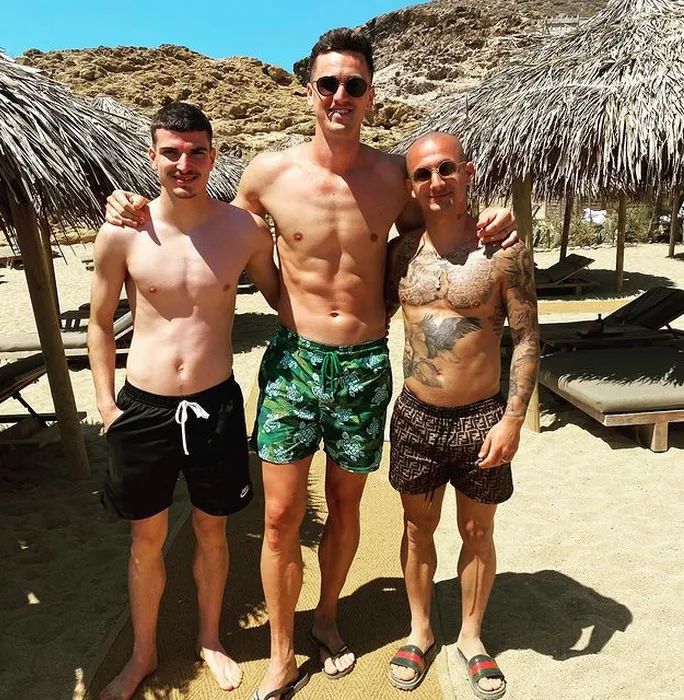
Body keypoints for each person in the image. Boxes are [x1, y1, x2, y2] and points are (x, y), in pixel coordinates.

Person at [105, 29, 518, 700]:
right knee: (278, 517)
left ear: (371, 95)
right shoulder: (267, 174)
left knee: (348, 505)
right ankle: (279, 651)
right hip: (293, 361)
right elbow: (205, 226)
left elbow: (446, 224)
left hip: (363, 364)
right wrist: (130, 207)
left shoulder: (396, 177)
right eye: (328, 83)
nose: (340, 96)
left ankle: (325, 617)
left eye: (354, 85)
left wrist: (495, 217)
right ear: (310, 93)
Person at [88, 102, 279, 700]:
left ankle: (210, 638)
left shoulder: (243, 230)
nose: (184, 163)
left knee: (212, 532)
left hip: (214, 405)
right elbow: (99, 322)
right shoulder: (123, 231)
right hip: (142, 409)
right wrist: (107, 406)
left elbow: (287, 294)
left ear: (212, 156)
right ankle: (143, 653)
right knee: (145, 540)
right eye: (171, 152)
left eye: (196, 151)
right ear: (153, 157)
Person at [384, 131, 539, 698]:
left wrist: (513, 419)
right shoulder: (401, 253)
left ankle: (472, 636)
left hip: (482, 416)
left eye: (446, 169)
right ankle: (420, 630)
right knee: (416, 529)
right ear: (411, 186)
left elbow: (527, 338)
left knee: (477, 530)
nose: (436, 182)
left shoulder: (504, 251)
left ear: (467, 173)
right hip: (416, 416)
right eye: (423, 174)